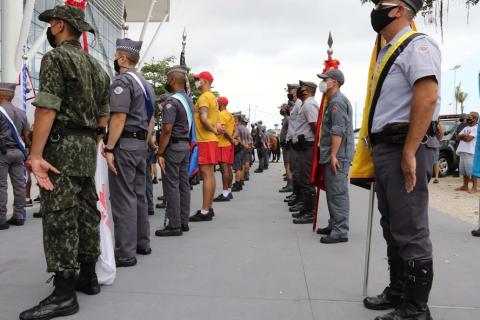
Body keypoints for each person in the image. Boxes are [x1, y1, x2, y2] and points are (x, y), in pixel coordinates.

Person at [19, 5, 110, 320]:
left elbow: (46, 109)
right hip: (86, 146)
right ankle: (88, 276)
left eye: (51, 23)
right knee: (87, 212)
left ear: (58, 25)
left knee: (59, 217)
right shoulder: (97, 67)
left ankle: (64, 293)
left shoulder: (55, 58)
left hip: (61, 146)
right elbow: (103, 115)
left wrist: (36, 155)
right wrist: (90, 141)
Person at [362, 1, 441, 319]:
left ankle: (416, 309)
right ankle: (399, 291)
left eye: (383, 3)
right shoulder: (385, 51)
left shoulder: (417, 45)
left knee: (410, 227)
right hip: (386, 148)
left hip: (404, 145)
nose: (377, 8)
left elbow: (427, 96)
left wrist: (409, 151)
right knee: (392, 225)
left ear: (399, 10)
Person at [104, 38, 155, 268]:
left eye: (116, 56)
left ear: (123, 58)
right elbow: (151, 119)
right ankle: (142, 243)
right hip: (140, 145)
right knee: (139, 195)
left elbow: (118, 117)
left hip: (124, 144)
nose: (115, 60)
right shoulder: (146, 85)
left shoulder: (123, 82)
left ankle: (125, 252)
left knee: (124, 198)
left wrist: (109, 147)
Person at [316, 70, 354, 243]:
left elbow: (338, 130)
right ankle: (334, 224)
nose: (322, 82)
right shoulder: (333, 101)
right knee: (332, 192)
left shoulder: (337, 102)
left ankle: (340, 231)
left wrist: (333, 155)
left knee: (338, 193)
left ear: (335, 82)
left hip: (337, 156)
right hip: (333, 154)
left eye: (325, 79)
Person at [155, 65, 192, 237]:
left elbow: (167, 130)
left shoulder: (172, 101)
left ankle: (174, 225)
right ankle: (183, 221)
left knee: (172, 185)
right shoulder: (188, 100)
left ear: (171, 81)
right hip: (185, 146)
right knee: (183, 184)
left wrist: (160, 152)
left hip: (174, 146)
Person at [189, 71, 223, 221]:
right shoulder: (213, 98)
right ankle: (209, 208)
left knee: (206, 175)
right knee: (210, 174)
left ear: (205, 81)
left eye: (198, 79)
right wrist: (215, 130)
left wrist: (213, 130)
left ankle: (204, 211)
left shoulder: (204, 97)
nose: (197, 82)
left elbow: (203, 118)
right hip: (211, 140)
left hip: (205, 140)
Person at [291, 81, 319, 225]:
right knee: (303, 178)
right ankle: (306, 208)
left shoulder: (309, 105)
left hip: (307, 146)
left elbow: (315, 126)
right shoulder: (305, 104)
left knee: (307, 179)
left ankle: (311, 212)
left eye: (301, 88)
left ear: (306, 91)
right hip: (303, 146)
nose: (298, 90)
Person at [0, 83, 27, 229]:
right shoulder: (21, 113)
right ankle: (19, 216)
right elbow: (26, 135)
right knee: (19, 185)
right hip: (18, 152)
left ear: (2, 95)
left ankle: (1, 219)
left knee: (1, 186)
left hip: (2, 153)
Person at [214, 97, 235, 202]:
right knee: (229, 168)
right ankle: (229, 191)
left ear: (220, 104)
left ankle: (225, 193)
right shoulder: (230, 115)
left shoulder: (221, 114)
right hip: (229, 145)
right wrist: (232, 140)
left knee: (224, 169)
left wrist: (231, 139)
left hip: (223, 144)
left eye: (217, 103)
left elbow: (223, 130)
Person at [455, 112, 478, 193]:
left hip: (470, 152)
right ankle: (465, 186)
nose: (467, 118)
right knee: (464, 171)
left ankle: (474, 187)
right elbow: (457, 137)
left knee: (471, 171)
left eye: (469, 117)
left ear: (475, 118)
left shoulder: (476, 128)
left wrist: (463, 136)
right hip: (462, 151)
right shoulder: (466, 127)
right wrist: (464, 136)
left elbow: (469, 139)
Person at [279, 103, 293, 193]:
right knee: (286, 165)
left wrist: (287, 141)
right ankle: (289, 183)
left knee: (287, 165)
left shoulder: (288, 119)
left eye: (284, 108)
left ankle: (290, 185)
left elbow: (290, 132)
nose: (282, 109)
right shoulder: (286, 119)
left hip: (287, 145)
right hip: (285, 145)